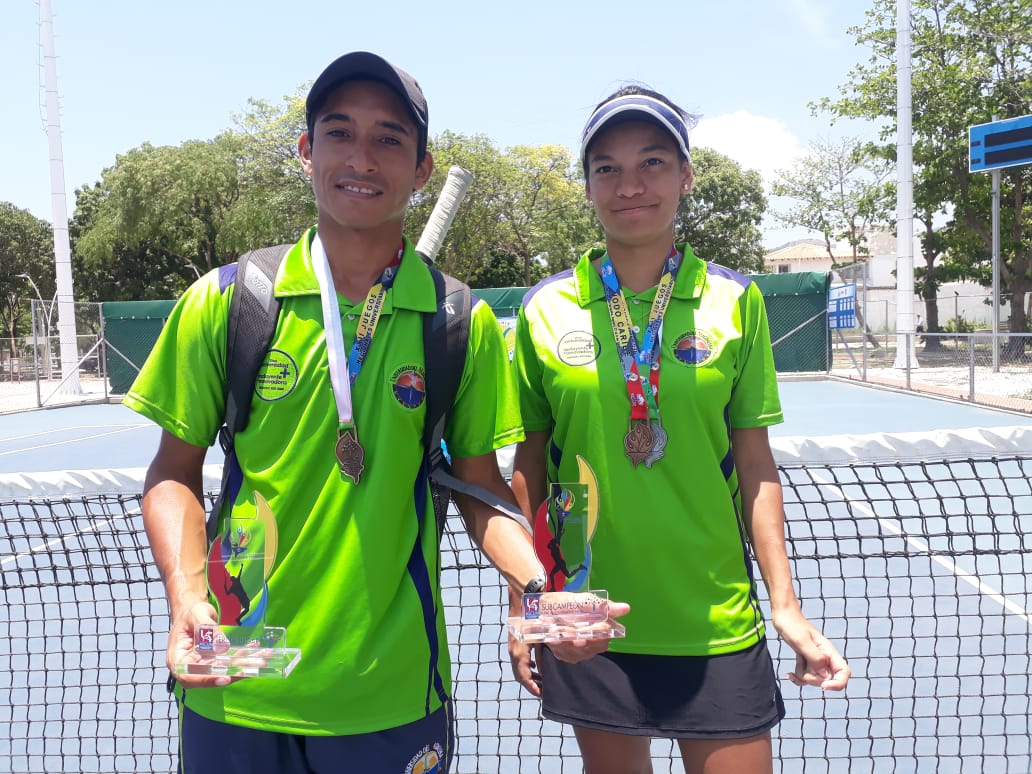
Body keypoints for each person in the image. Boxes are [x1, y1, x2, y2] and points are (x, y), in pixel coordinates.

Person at [126, 51, 550, 773]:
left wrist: (538, 589)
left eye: (389, 138)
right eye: (339, 132)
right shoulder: (227, 302)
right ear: (306, 151)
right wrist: (186, 600)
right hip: (236, 679)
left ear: (421, 169)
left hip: (389, 693)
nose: (362, 157)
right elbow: (173, 473)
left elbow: (483, 494)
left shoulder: (459, 321)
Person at [508, 85, 851, 774]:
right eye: (606, 167)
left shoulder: (735, 301)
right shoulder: (544, 310)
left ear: (686, 176)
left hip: (714, 623)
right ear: (587, 186)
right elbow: (529, 467)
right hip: (589, 621)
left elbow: (756, 467)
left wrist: (784, 605)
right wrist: (527, 603)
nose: (629, 184)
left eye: (653, 162)